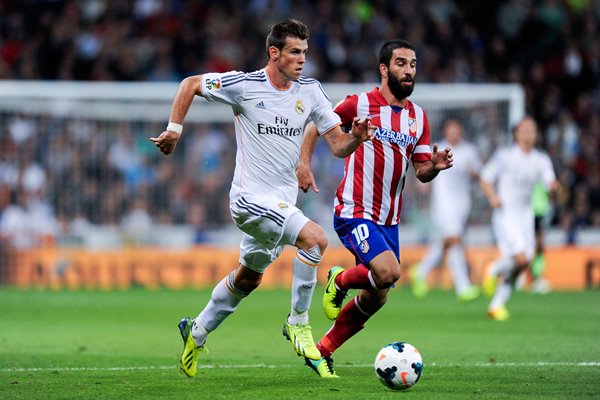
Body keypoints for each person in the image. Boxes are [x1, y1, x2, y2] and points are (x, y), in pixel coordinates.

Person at [149, 19, 373, 378]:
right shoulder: (244, 84)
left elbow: (338, 147)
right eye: (295, 52)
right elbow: (189, 84)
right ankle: (298, 323)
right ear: (274, 53)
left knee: (248, 279)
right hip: (248, 200)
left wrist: (357, 138)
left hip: (281, 203)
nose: (302, 60)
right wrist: (174, 131)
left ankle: (197, 329)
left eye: (305, 52)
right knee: (315, 239)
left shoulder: (311, 91)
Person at [297, 39, 453, 378]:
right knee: (389, 272)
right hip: (355, 210)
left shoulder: (418, 117)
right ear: (384, 69)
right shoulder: (360, 103)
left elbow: (421, 170)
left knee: (376, 298)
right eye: (401, 63)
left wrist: (435, 167)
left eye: (412, 64)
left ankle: (321, 351)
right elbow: (315, 125)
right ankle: (338, 281)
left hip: (388, 219)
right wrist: (304, 164)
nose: (409, 70)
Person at [480, 116, 558, 321]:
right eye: (525, 130)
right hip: (506, 214)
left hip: (526, 215)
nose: (529, 134)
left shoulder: (541, 159)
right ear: (516, 133)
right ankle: (493, 269)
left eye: (533, 130)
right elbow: (485, 177)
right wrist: (492, 196)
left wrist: (554, 190)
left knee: (524, 263)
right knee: (521, 258)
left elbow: (551, 184)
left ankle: (496, 305)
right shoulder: (504, 156)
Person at [409, 118, 482, 301]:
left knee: (450, 243)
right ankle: (462, 286)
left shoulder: (469, 152)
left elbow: (478, 173)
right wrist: (423, 186)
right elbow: (425, 171)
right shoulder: (439, 148)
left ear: (461, 132)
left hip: (462, 205)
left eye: (456, 130)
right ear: (446, 132)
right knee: (454, 240)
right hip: (443, 204)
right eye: (450, 130)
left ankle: (422, 271)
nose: (454, 133)